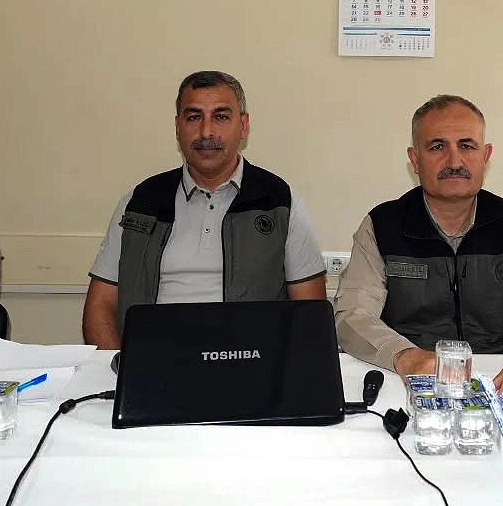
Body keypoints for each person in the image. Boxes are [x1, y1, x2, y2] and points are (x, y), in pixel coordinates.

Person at [334, 95, 503, 405]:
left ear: (485, 156)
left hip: (498, 381)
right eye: (437, 147)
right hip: (405, 380)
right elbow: (352, 316)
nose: (454, 161)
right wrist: (405, 356)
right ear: (415, 159)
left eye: (467, 146)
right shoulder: (382, 226)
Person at [83, 70, 326, 348]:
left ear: (243, 126)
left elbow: (310, 314)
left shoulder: (281, 203)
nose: (206, 131)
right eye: (194, 117)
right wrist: (117, 366)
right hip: (153, 362)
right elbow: (101, 304)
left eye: (221, 117)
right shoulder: (140, 203)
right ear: (178, 127)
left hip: (250, 363)